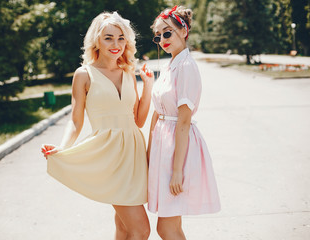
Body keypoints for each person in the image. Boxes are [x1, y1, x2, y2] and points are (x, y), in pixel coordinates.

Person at [41, 12, 154, 240]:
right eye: (109, 38)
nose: (116, 44)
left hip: (133, 155)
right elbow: (75, 120)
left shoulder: (128, 72)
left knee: (124, 227)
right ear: (96, 41)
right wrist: (63, 148)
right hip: (109, 154)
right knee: (141, 230)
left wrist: (149, 86)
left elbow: (138, 121)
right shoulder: (84, 74)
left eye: (121, 38)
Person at [147, 5, 221, 239]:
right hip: (163, 146)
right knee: (171, 226)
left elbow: (183, 121)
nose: (162, 40)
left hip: (176, 149)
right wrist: (149, 153)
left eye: (167, 33)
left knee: (166, 227)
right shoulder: (170, 64)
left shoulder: (186, 66)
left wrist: (177, 171)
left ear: (184, 31)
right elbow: (157, 112)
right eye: (158, 36)